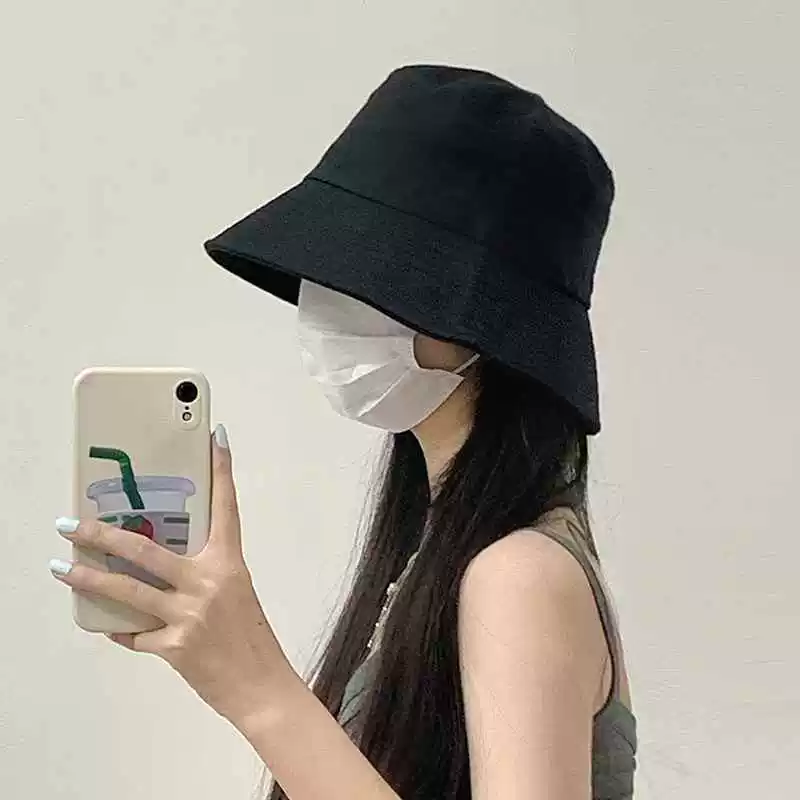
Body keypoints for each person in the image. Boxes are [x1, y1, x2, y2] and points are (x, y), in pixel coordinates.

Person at [49, 65, 637, 799]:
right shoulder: (440, 549)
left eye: (372, 275)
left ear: (485, 318)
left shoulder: (518, 574)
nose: (324, 306)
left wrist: (255, 684)